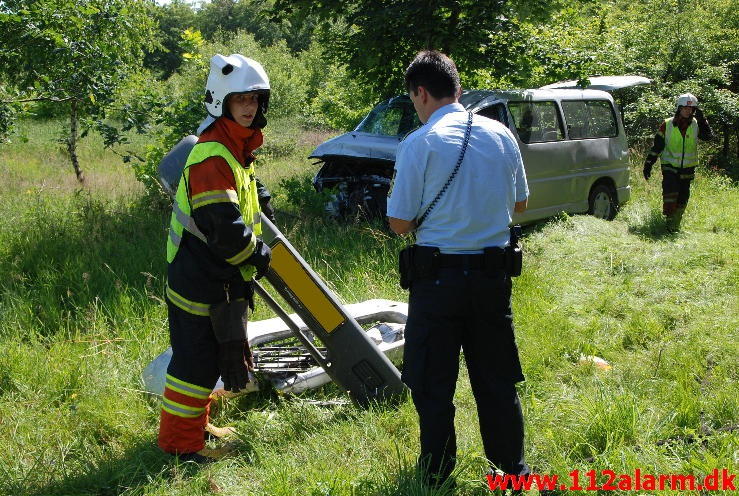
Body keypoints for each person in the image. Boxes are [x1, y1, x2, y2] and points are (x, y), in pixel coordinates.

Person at [387, 50, 531, 487]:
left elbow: (398, 223)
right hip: (492, 277)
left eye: (414, 99)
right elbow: (521, 204)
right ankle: (512, 476)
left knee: (434, 387)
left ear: (421, 93)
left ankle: (436, 478)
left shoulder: (419, 143)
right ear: (459, 90)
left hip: (438, 281)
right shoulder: (501, 135)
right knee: (497, 383)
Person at [158, 53, 273, 463]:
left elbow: (236, 204)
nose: (249, 107)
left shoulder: (233, 147)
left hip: (212, 277)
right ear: (220, 102)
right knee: (195, 364)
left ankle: (196, 428)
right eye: (240, 99)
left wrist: (260, 200)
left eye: (255, 100)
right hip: (200, 278)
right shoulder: (212, 155)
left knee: (207, 361)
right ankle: (179, 445)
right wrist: (257, 253)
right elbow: (224, 228)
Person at [643, 93, 713, 231]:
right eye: (685, 108)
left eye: (691, 109)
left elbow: (708, 137)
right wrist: (648, 164)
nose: (688, 111)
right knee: (670, 193)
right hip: (669, 166)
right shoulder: (667, 124)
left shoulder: (697, 124)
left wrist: (703, 120)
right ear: (679, 108)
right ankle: (669, 223)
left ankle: (675, 223)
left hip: (687, 168)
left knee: (683, 196)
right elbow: (657, 146)